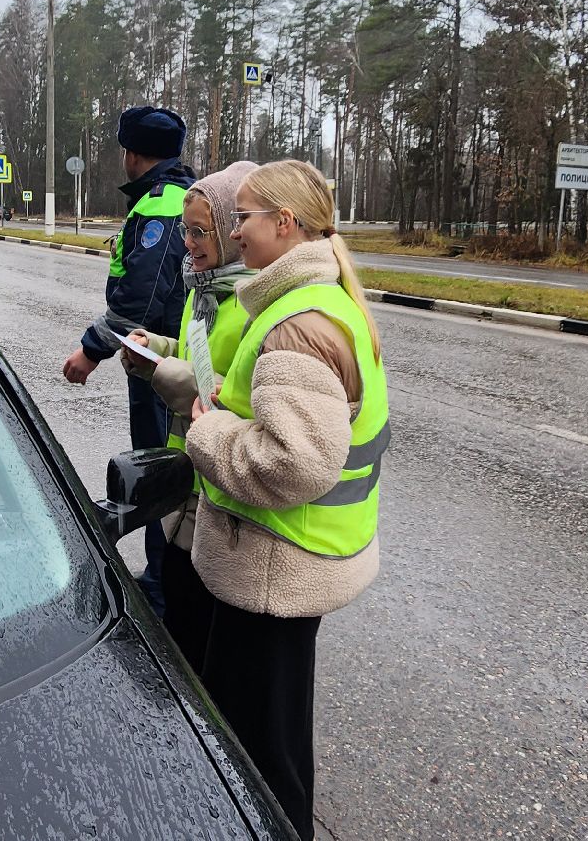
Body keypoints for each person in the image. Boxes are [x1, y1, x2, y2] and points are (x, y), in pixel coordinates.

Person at [183, 159, 388, 841]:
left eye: (243, 217)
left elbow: (295, 462)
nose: (235, 232)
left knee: (258, 758)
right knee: (275, 740)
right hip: (297, 560)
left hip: (274, 569)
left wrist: (208, 430)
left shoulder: (295, 324)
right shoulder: (323, 303)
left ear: (285, 223)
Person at [118, 160, 259, 670]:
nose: (189, 244)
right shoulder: (205, 291)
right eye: (185, 230)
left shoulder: (253, 305)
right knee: (179, 624)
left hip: (218, 505)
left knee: (199, 647)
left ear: (230, 232)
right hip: (187, 491)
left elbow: (236, 401)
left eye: (201, 232)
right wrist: (154, 347)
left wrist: (175, 384)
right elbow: (196, 353)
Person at [61, 105, 195, 614]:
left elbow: (140, 299)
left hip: (158, 360)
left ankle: (162, 587)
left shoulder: (163, 206)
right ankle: (161, 574)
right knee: (164, 462)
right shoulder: (169, 197)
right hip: (160, 356)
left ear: (131, 153)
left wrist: (90, 351)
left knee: (161, 467)